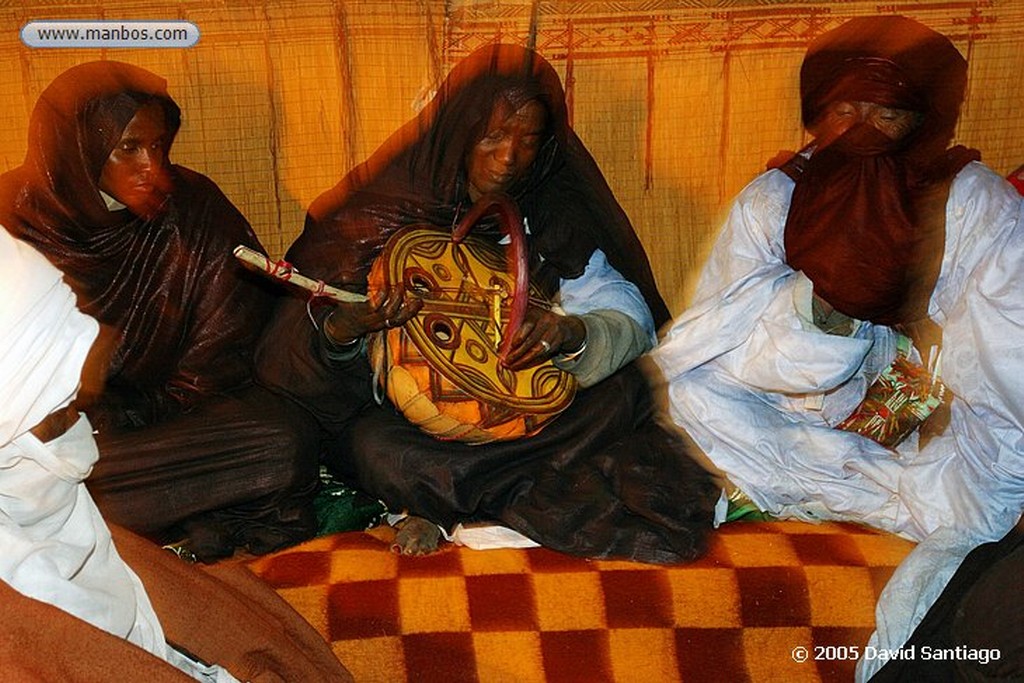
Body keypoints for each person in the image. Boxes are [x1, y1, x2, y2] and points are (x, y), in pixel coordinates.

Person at [648, 15, 1023, 677]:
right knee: (689, 390)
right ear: (817, 117)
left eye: (887, 114)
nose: (861, 132)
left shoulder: (973, 206)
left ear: (926, 120)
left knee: (988, 487)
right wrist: (824, 310)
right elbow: (720, 345)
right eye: (844, 110)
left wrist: (909, 294)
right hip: (792, 430)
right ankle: (811, 486)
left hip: (926, 446)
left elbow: (1005, 381)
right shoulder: (776, 198)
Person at [257, 43, 718, 562]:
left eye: (528, 140)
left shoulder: (548, 208)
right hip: (421, 427)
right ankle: (514, 490)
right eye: (492, 137)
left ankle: (448, 502)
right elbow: (296, 362)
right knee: (373, 447)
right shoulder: (383, 214)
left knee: (628, 389)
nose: (508, 159)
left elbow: (627, 314)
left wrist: (574, 335)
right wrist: (346, 331)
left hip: (528, 415)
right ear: (458, 135)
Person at [0, 61, 321, 561]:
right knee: (30, 476)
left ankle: (139, 523)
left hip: (168, 426)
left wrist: (141, 410)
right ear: (73, 144)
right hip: (59, 442)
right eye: (129, 147)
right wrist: (80, 418)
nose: (153, 167)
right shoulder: (9, 221)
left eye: (159, 145)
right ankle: (182, 517)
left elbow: (224, 346)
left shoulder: (193, 207)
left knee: (283, 439)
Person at [0, 227, 352, 682]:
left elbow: (231, 357)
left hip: (179, 417)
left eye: (72, 403)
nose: (78, 427)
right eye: (58, 410)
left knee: (283, 440)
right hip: (130, 443)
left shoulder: (192, 211)